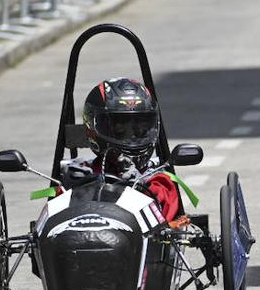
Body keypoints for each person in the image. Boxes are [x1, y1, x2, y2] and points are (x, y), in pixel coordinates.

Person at [72, 77, 183, 223]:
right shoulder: (79, 173)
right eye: (120, 128)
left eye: (140, 128)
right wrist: (80, 187)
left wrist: (139, 187)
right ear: (93, 129)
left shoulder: (159, 181)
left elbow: (166, 220)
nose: (131, 137)